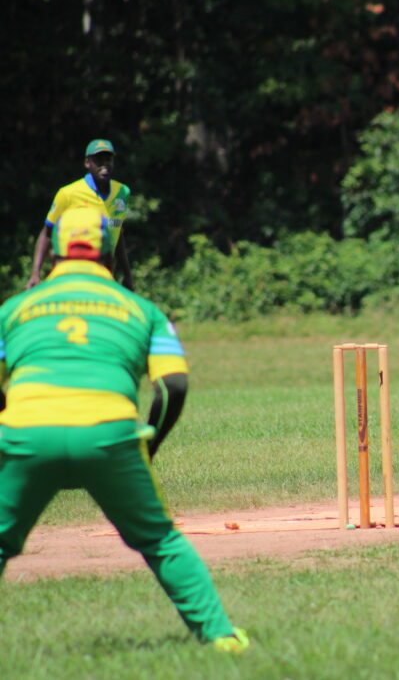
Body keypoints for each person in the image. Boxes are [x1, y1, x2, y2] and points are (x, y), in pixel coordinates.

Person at [0, 208, 248, 652]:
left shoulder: (14, 309)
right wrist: (149, 442)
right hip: (108, 433)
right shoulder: (142, 310)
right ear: (108, 254)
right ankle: (222, 639)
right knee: (159, 540)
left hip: (26, 432)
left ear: (55, 254)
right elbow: (173, 386)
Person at [27, 139, 134, 290]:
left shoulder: (122, 192)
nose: (105, 164)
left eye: (108, 159)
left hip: (105, 276)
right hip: (72, 275)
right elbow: (47, 233)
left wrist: (127, 275)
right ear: (87, 163)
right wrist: (35, 274)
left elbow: (117, 233)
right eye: (98, 160)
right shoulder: (68, 194)